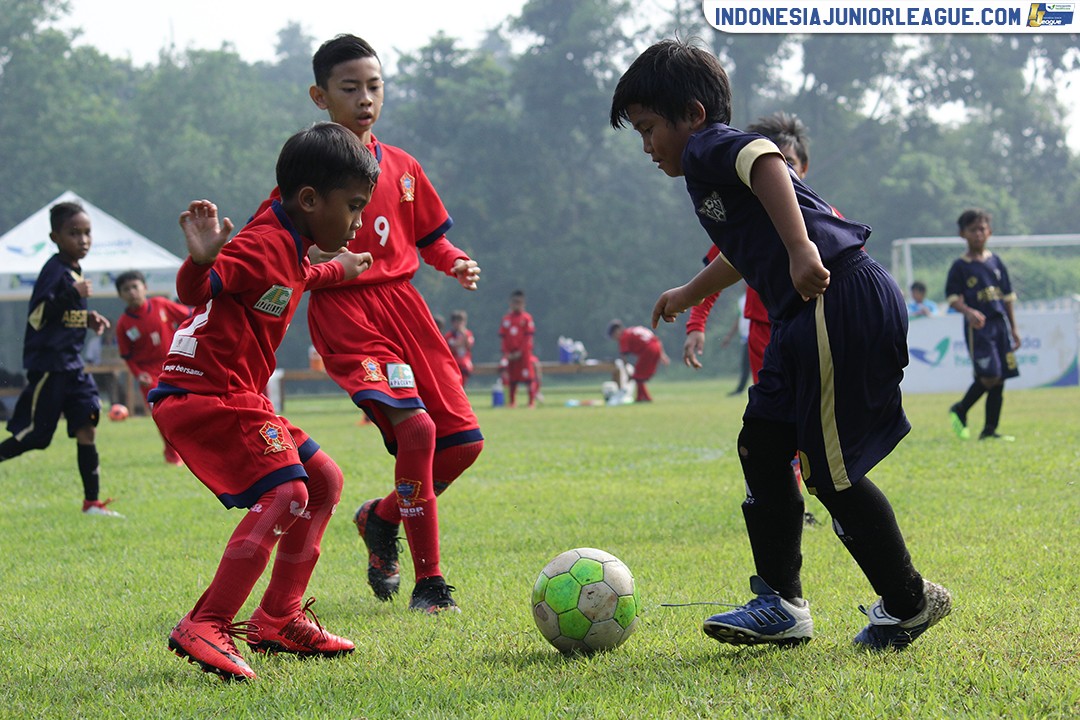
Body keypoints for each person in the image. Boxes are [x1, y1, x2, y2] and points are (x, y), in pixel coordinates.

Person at [610, 38, 951, 651]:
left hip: (834, 298)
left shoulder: (711, 144)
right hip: (806, 313)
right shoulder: (703, 174)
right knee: (762, 444)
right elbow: (745, 247)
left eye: (649, 128)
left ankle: (908, 602)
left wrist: (801, 249)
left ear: (691, 114)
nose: (646, 146)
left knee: (829, 473)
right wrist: (691, 291)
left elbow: (767, 158)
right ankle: (781, 603)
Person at [255, 34, 484, 613]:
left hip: (408, 309)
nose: (365, 98)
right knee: (418, 432)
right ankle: (431, 585)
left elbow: (430, 239)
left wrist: (454, 261)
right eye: (349, 87)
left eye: (374, 86)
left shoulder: (403, 167)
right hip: (349, 314)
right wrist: (325, 269)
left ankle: (380, 519)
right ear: (319, 95)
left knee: (462, 444)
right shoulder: (309, 173)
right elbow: (266, 245)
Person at [149, 122, 379, 681]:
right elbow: (198, 290)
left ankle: (278, 618)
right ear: (308, 200)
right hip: (207, 392)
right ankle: (207, 622)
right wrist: (202, 259)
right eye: (351, 206)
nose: (356, 220)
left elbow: (296, 278)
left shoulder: (293, 243)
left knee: (322, 479)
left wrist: (337, 269)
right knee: (286, 489)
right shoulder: (261, 242)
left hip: (234, 393)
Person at [0, 200, 121, 518]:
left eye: (87, 233)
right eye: (73, 233)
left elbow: (62, 318)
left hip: (73, 366)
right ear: (55, 237)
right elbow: (39, 316)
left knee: (89, 422)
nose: (83, 240)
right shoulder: (54, 271)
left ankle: (91, 503)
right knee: (39, 437)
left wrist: (87, 318)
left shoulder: (73, 271)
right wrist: (73, 294)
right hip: (51, 367)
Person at [946, 209, 1020, 441]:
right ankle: (960, 409)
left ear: (989, 231)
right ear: (962, 234)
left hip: (1000, 326)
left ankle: (989, 430)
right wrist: (969, 311)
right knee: (990, 375)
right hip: (978, 328)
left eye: (982, 229)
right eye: (973, 230)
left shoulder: (996, 262)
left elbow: (1007, 297)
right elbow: (953, 297)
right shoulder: (960, 266)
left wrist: (1014, 328)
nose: (978, 234)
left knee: (1001, 377)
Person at [113, 270, 191, 465]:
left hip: (177, 366)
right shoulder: (124, 324)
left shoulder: (161, 304)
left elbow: (190, 316)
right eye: (126, 289)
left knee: (190, 409)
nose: (132, 292)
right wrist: (138, 374)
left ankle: (196, 449)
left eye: (135, 287)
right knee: (164, 416)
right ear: (120, 295)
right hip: (150, 376)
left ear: (144, 288)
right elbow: (128, 357)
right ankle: (172, 456)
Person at [606, 319, 670, 403]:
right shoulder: (633, 330)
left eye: (613, 336)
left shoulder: (624, 337)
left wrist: (627, 372)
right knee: (638, 375)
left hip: (648, 350)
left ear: (617, 331)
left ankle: (644, 397)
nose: (614, 339)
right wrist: (662, 355)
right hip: (656, 347)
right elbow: (655, 340)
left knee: (638, 375)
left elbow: (624, 357)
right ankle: (641, 397)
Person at [499, 289, 538, 408]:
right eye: (514, 302)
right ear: (510, 303)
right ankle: (512, 402)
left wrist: (520, 352)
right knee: (512, 378)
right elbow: (503, 338)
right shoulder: (506, 319)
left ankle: (531, 401)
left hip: (524, 354)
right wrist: (506, 353)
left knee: (528, 377)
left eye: (519, 302)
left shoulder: (526, 318)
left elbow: (528, 338)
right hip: (510, 354)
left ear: (523, 304)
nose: (517, 305)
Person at [444, 310, 475, 386]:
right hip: (453, 360)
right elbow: (449, 348)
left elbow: (469, 345)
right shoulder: (449, 335)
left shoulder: (468, 334)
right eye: (456, 322)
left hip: (465, 361)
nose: (459, 325)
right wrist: (458, 343)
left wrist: (463, 335)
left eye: (461, 322)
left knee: (465, 367)